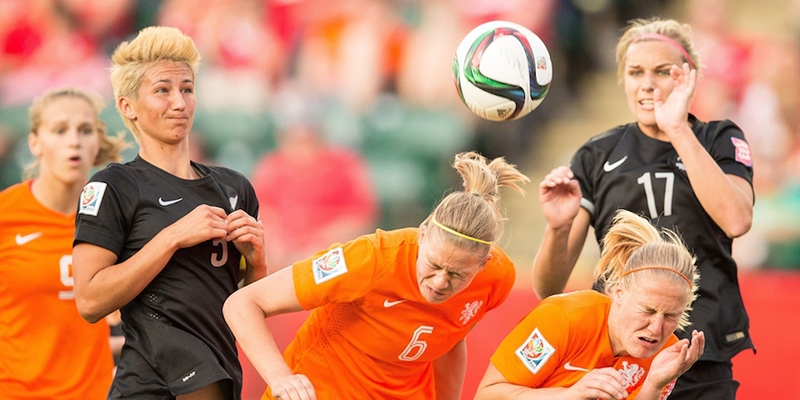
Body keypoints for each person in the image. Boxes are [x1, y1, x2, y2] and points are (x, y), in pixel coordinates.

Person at [531, 17, 754, 399]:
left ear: (689, 78)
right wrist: (556, 228)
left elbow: (737, 219)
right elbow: (547, 288)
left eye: (662, 72)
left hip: (700, 350)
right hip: (618, 355)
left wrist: (677, 129)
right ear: (624, 79)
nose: (647, 83)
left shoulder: (718, 138)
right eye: (635, 72)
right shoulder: (596, 154)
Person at [224, 151, 527, 400]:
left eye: (457, 275)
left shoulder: (496, 278)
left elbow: (449, 340)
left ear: (484, 263)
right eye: (433, 265)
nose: (440, 283)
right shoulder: (369, 259)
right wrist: (280, 378)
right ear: (422, 235)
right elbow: (242, 304)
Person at [72, 26, 267, 400]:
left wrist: (258, 264)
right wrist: (172, 237)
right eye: (162, 90)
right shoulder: (113, 186)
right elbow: (90, 301)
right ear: (127, 105)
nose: (178, 102)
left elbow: (246, 303)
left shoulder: (235, 188)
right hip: (145, 385)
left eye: (187, 89)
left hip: (219, 377)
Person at [477, 210, 705, 399]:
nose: (656, 328)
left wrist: (654, 385)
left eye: (670, 316)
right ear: (619, 293)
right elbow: (487, 395)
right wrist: (570, 395)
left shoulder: (666, 355)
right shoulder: (563, 319)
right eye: (647, 310)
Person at [0, 87, 127, 399]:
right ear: (35, 142)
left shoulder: (119, 216)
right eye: (59, 130)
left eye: (85, 130)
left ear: (96, 142)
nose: (74, 141)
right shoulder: (6, 215)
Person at [251, 88, 378, 272]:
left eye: (307, 137)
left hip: (331, 254)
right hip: (282, 256)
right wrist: (278, 242)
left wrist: (322, 242)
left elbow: (360, 215)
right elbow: (260, 213)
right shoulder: (271, 166)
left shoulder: (345, 164)